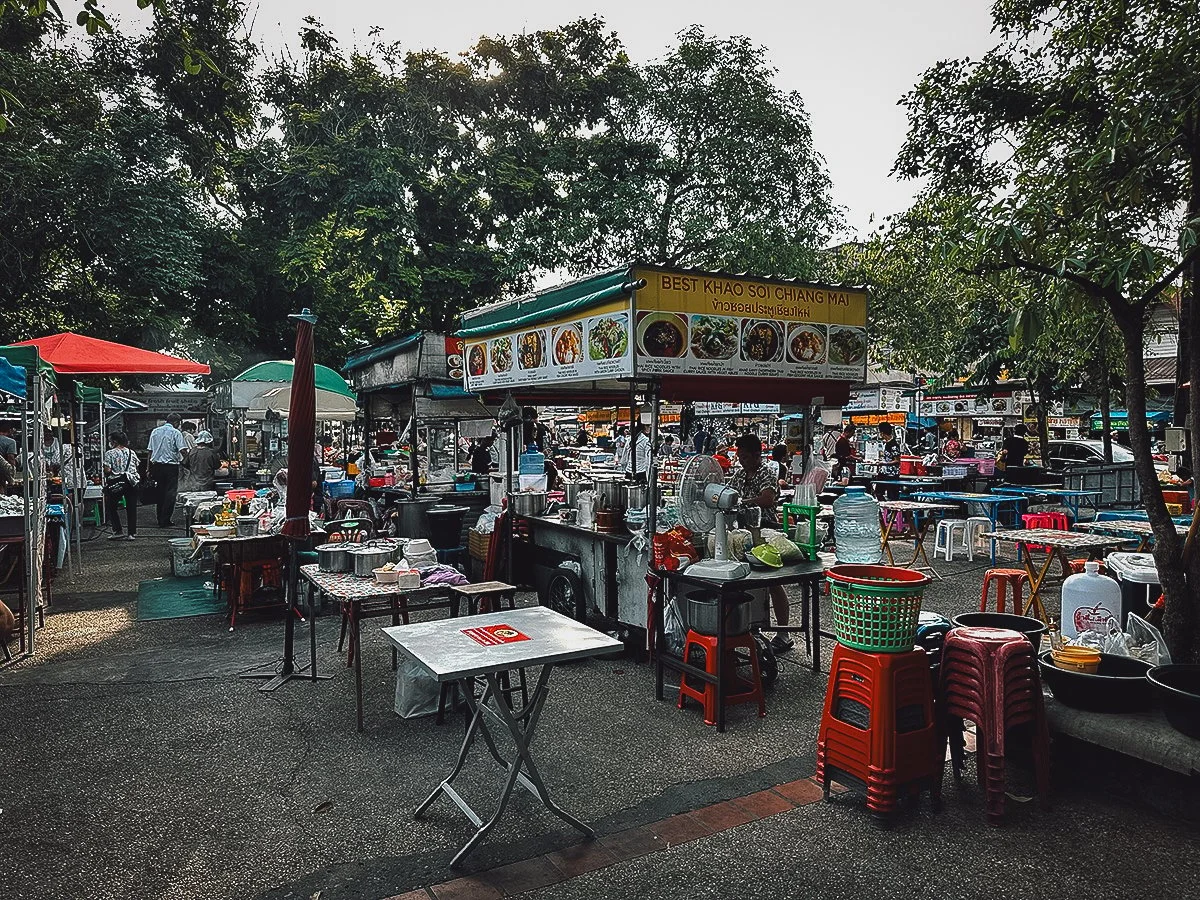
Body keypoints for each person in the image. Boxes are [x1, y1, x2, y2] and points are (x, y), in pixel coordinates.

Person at [728, 434, 792, 653]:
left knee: (773, 583)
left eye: (745, 457)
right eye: (740, 457)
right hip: (741, 534)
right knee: (743, 579)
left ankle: (783, 633)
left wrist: (742, 502)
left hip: (765, 531)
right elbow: (727, 493)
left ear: (757, 455)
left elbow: (767, 499)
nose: (741, 461)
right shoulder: (738, 475)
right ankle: (750, 627)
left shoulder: (767, 473)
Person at [148, 413, 188, 528]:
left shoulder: (155, 431)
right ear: (176, 422)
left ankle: (160, 517)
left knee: (160, 493)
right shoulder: (176, 433)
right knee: (170, 494)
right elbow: (183, 450)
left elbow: (150, 451)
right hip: (170, 467)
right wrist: (188, 461)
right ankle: (165, 520)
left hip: (156, 466)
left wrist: (148, 468)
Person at [103, 431, 140, 540]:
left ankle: (118, 530)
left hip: (116, 482)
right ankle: (131, 533)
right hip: (131, 482)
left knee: (111, 506)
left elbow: (108, 469)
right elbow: (135, 467)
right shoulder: (131, 452)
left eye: (110, 441)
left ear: (114, 441)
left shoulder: (109, 453)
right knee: (131, 507)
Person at [876, 422, 901, 500]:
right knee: (878, 492)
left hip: (892, 474)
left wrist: (884, 463)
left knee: (892, 495)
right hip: (883, 472)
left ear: (882, 433)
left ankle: (893, 512)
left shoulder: (893, 445)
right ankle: (883, 510)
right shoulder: (886, 444)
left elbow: (897, 460)